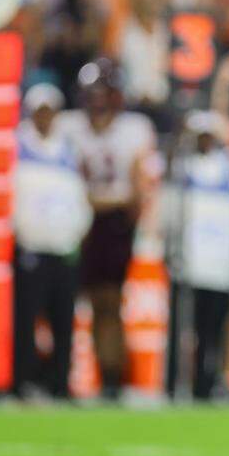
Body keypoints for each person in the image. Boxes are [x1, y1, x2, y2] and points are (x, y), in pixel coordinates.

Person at [56, 59, 157, 400]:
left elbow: (137, 186)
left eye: (103, 94)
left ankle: (112, 378)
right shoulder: (68, 127)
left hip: (112, 224)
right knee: (65, 302)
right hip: (74, 221)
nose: (97, 102)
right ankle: (61, 377)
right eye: (92, 95)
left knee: (109, 303)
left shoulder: (134, 129)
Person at [12, 84, 91, 400]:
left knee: (63, 321)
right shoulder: (16, 147)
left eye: (50, 111)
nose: (45, 118)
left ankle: (60, 382)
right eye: (40, 112)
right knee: (26, 319)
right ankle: (23, 381)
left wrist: (77, 232)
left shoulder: (68, 150)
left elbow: (79, 198)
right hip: (31, 247)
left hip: (63, 248)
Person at [164, 112, 229, 401]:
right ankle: (175, 385)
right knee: (181, 327)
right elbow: (172, 212)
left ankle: (206, 383)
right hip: (189, 261)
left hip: (220, 263)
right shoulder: (183, 167)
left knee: (211, 330)